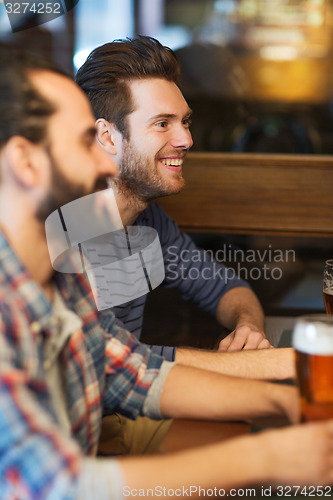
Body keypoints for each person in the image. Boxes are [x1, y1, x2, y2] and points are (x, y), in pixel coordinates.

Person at [2, 44, 333, 498]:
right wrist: (269, 452)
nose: (104, 163)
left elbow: (130, 369)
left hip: (102, 431)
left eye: (185, 122)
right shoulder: (35, 271)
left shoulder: (63, 271)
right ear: (26, 162)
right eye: (85, 140)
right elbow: (58, 485)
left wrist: (284, 395)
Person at [76, 35, 271, 359]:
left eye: (185, 122)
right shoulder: (64, 229)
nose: (186, 139)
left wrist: (248, 327)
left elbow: (224, 287)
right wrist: (256, 366)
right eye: (163, 123)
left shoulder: (149, 220)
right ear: (108, 137)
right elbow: (109, 366)